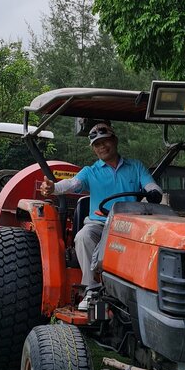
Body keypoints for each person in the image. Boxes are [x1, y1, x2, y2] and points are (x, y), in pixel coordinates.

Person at [39, 122, 162, 310]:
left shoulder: (135, 167)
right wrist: (54, 188)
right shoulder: (90, 171)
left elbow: (151, 185)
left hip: (129, 224)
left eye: (105, 141)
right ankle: (92, 290)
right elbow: (72, 184)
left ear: (115, 141)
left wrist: (153, 192)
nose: (102, 147)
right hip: (99, 223)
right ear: (94, 150)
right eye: (97, 145)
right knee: (83, 236)